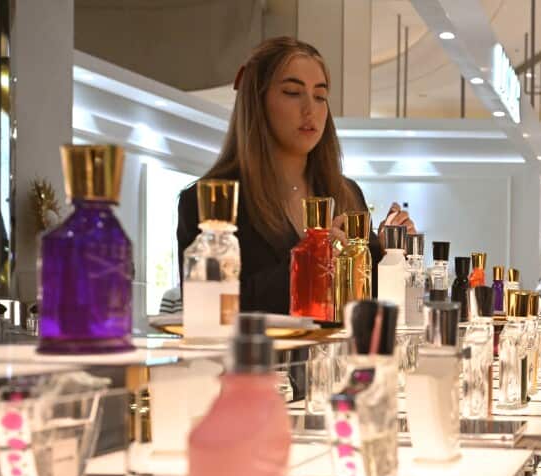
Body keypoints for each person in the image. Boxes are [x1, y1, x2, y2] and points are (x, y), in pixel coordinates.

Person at [176, 37, 415, 314]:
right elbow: (205, 311)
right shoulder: (209, 201)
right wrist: (304, 265)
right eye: (292, 92)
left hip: (337, 356)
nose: (310, 109)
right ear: (257, 101)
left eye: (320, 96)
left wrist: (388, 255)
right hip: (256, 356)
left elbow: (363, 305)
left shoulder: (346, 193)